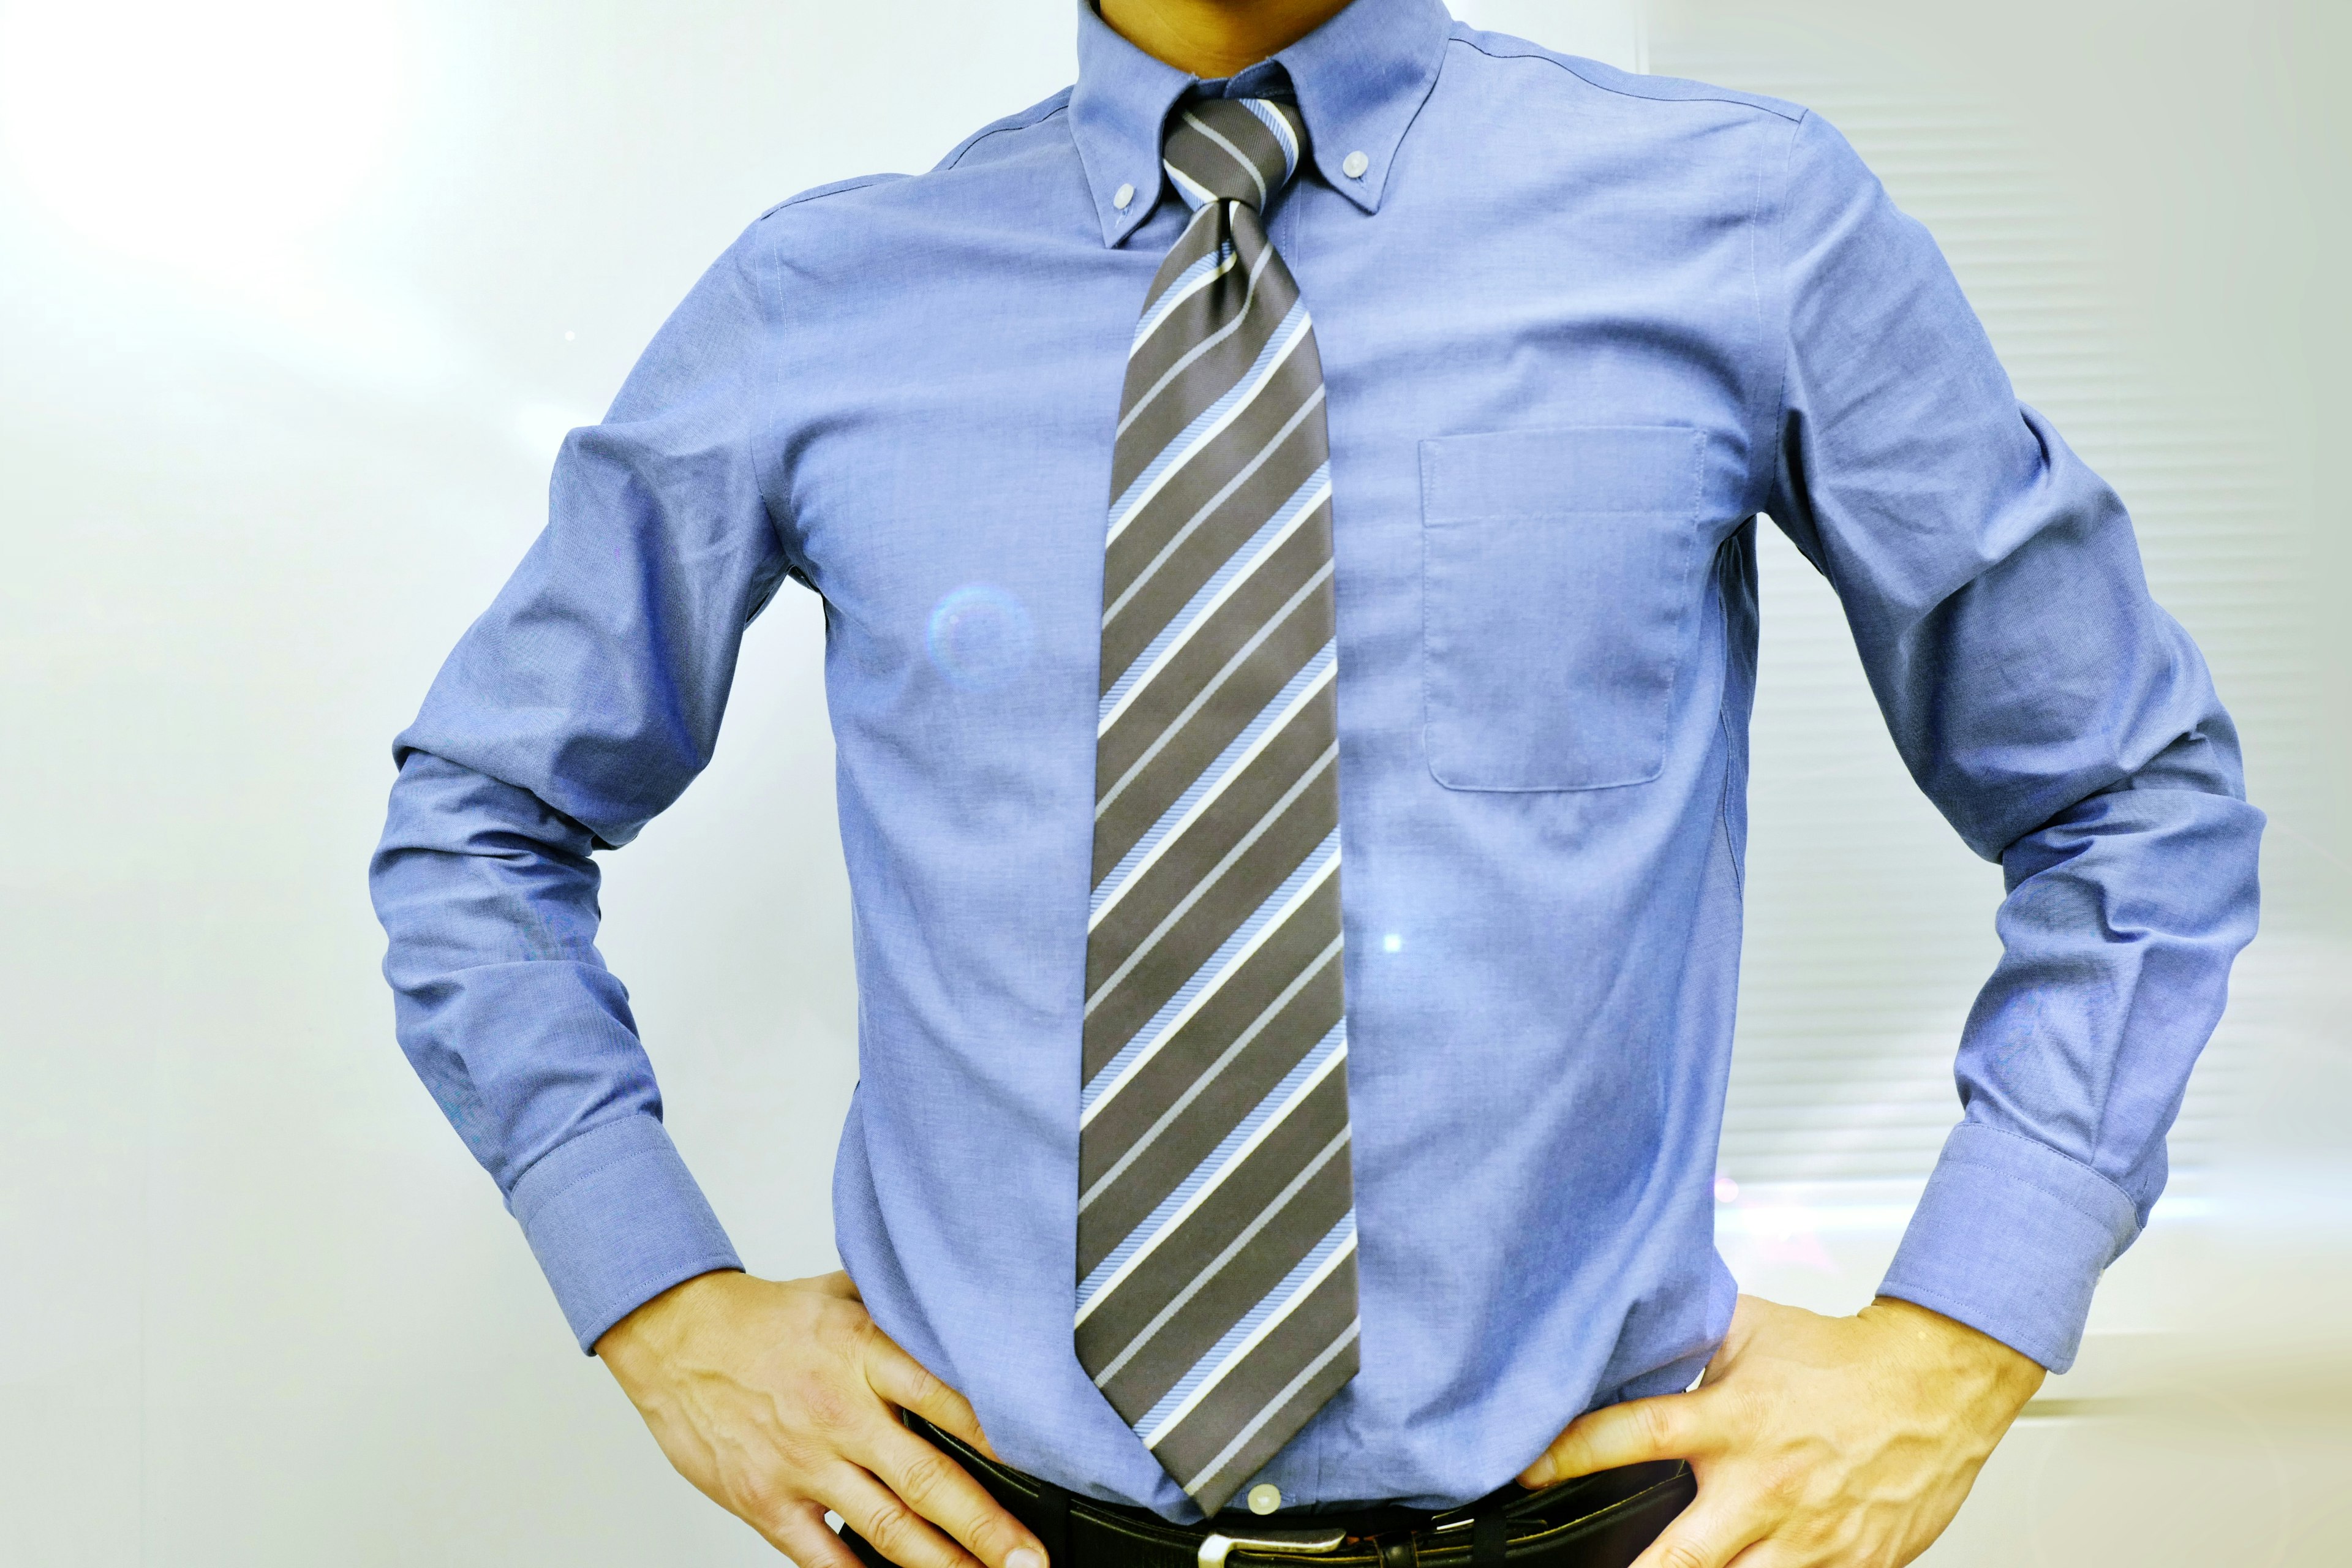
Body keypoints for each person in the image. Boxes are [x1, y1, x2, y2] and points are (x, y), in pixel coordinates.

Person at [368, 0, 2264, 1564]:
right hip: (986, 1533)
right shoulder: (823, 299)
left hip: (1594, 1535)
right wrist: (652, 1296)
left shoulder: (1747, 228)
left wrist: (1966, 1337)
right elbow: (480, 816)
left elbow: (2128, 798)